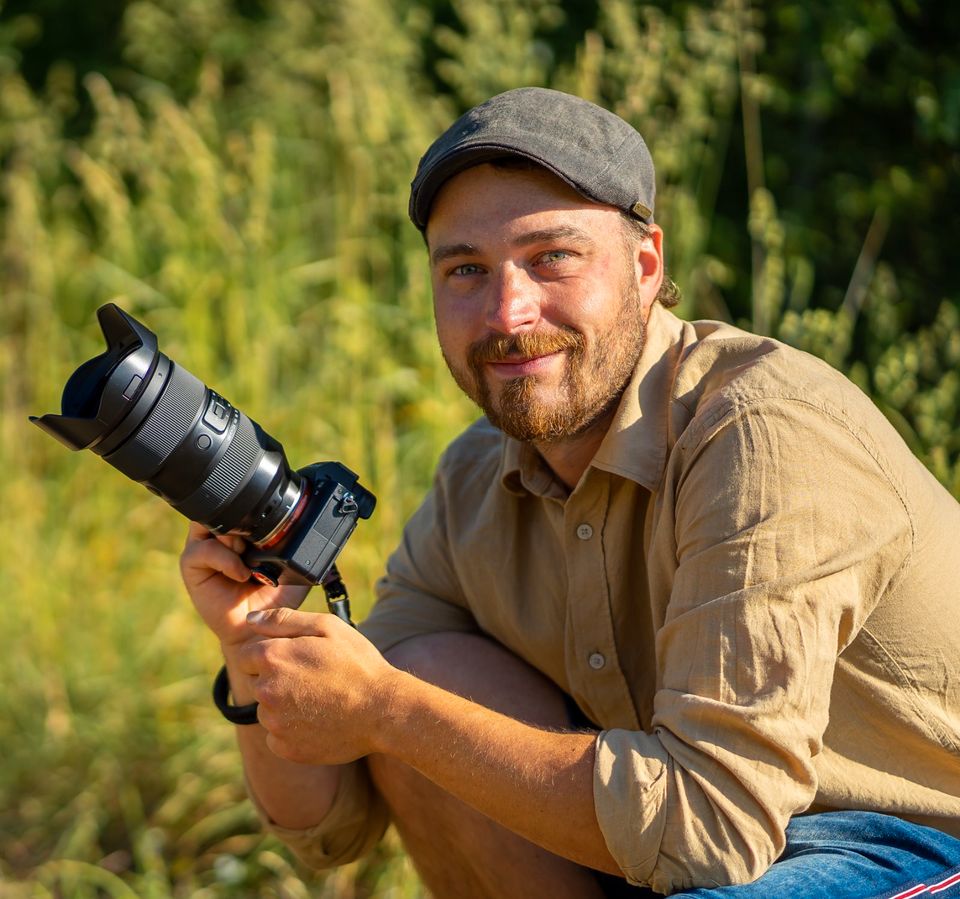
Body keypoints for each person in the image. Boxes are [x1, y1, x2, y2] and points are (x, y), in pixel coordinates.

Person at [180, 88, 960, 898]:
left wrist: (391, 708)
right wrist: (255, 643)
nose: (509, 312)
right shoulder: (473, 482)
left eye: (553, 257)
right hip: (700, 851)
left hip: (915, 835)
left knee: (412, 702)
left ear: (646, 266)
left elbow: (712, 825)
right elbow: (333, 822)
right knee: (424, 672)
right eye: (466, 270)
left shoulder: (762, 434)